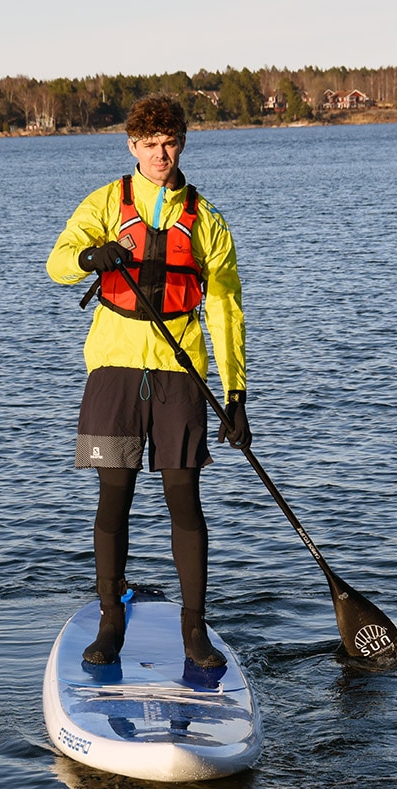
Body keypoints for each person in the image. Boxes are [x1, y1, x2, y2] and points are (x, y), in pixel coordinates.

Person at [46, 93, 250, 668]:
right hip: (114, 368)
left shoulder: (207, 221)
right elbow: (57, 262)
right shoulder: (106, 204)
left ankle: (194, 631)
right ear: (132, 145)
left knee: (185, 500)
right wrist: (91, 258)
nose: (162, 153)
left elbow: (226, 313)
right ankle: (111, 622)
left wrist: (235, 395)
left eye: (171, 142)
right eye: (151, 144)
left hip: (180, 373)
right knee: (116, 496)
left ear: (182, 143)